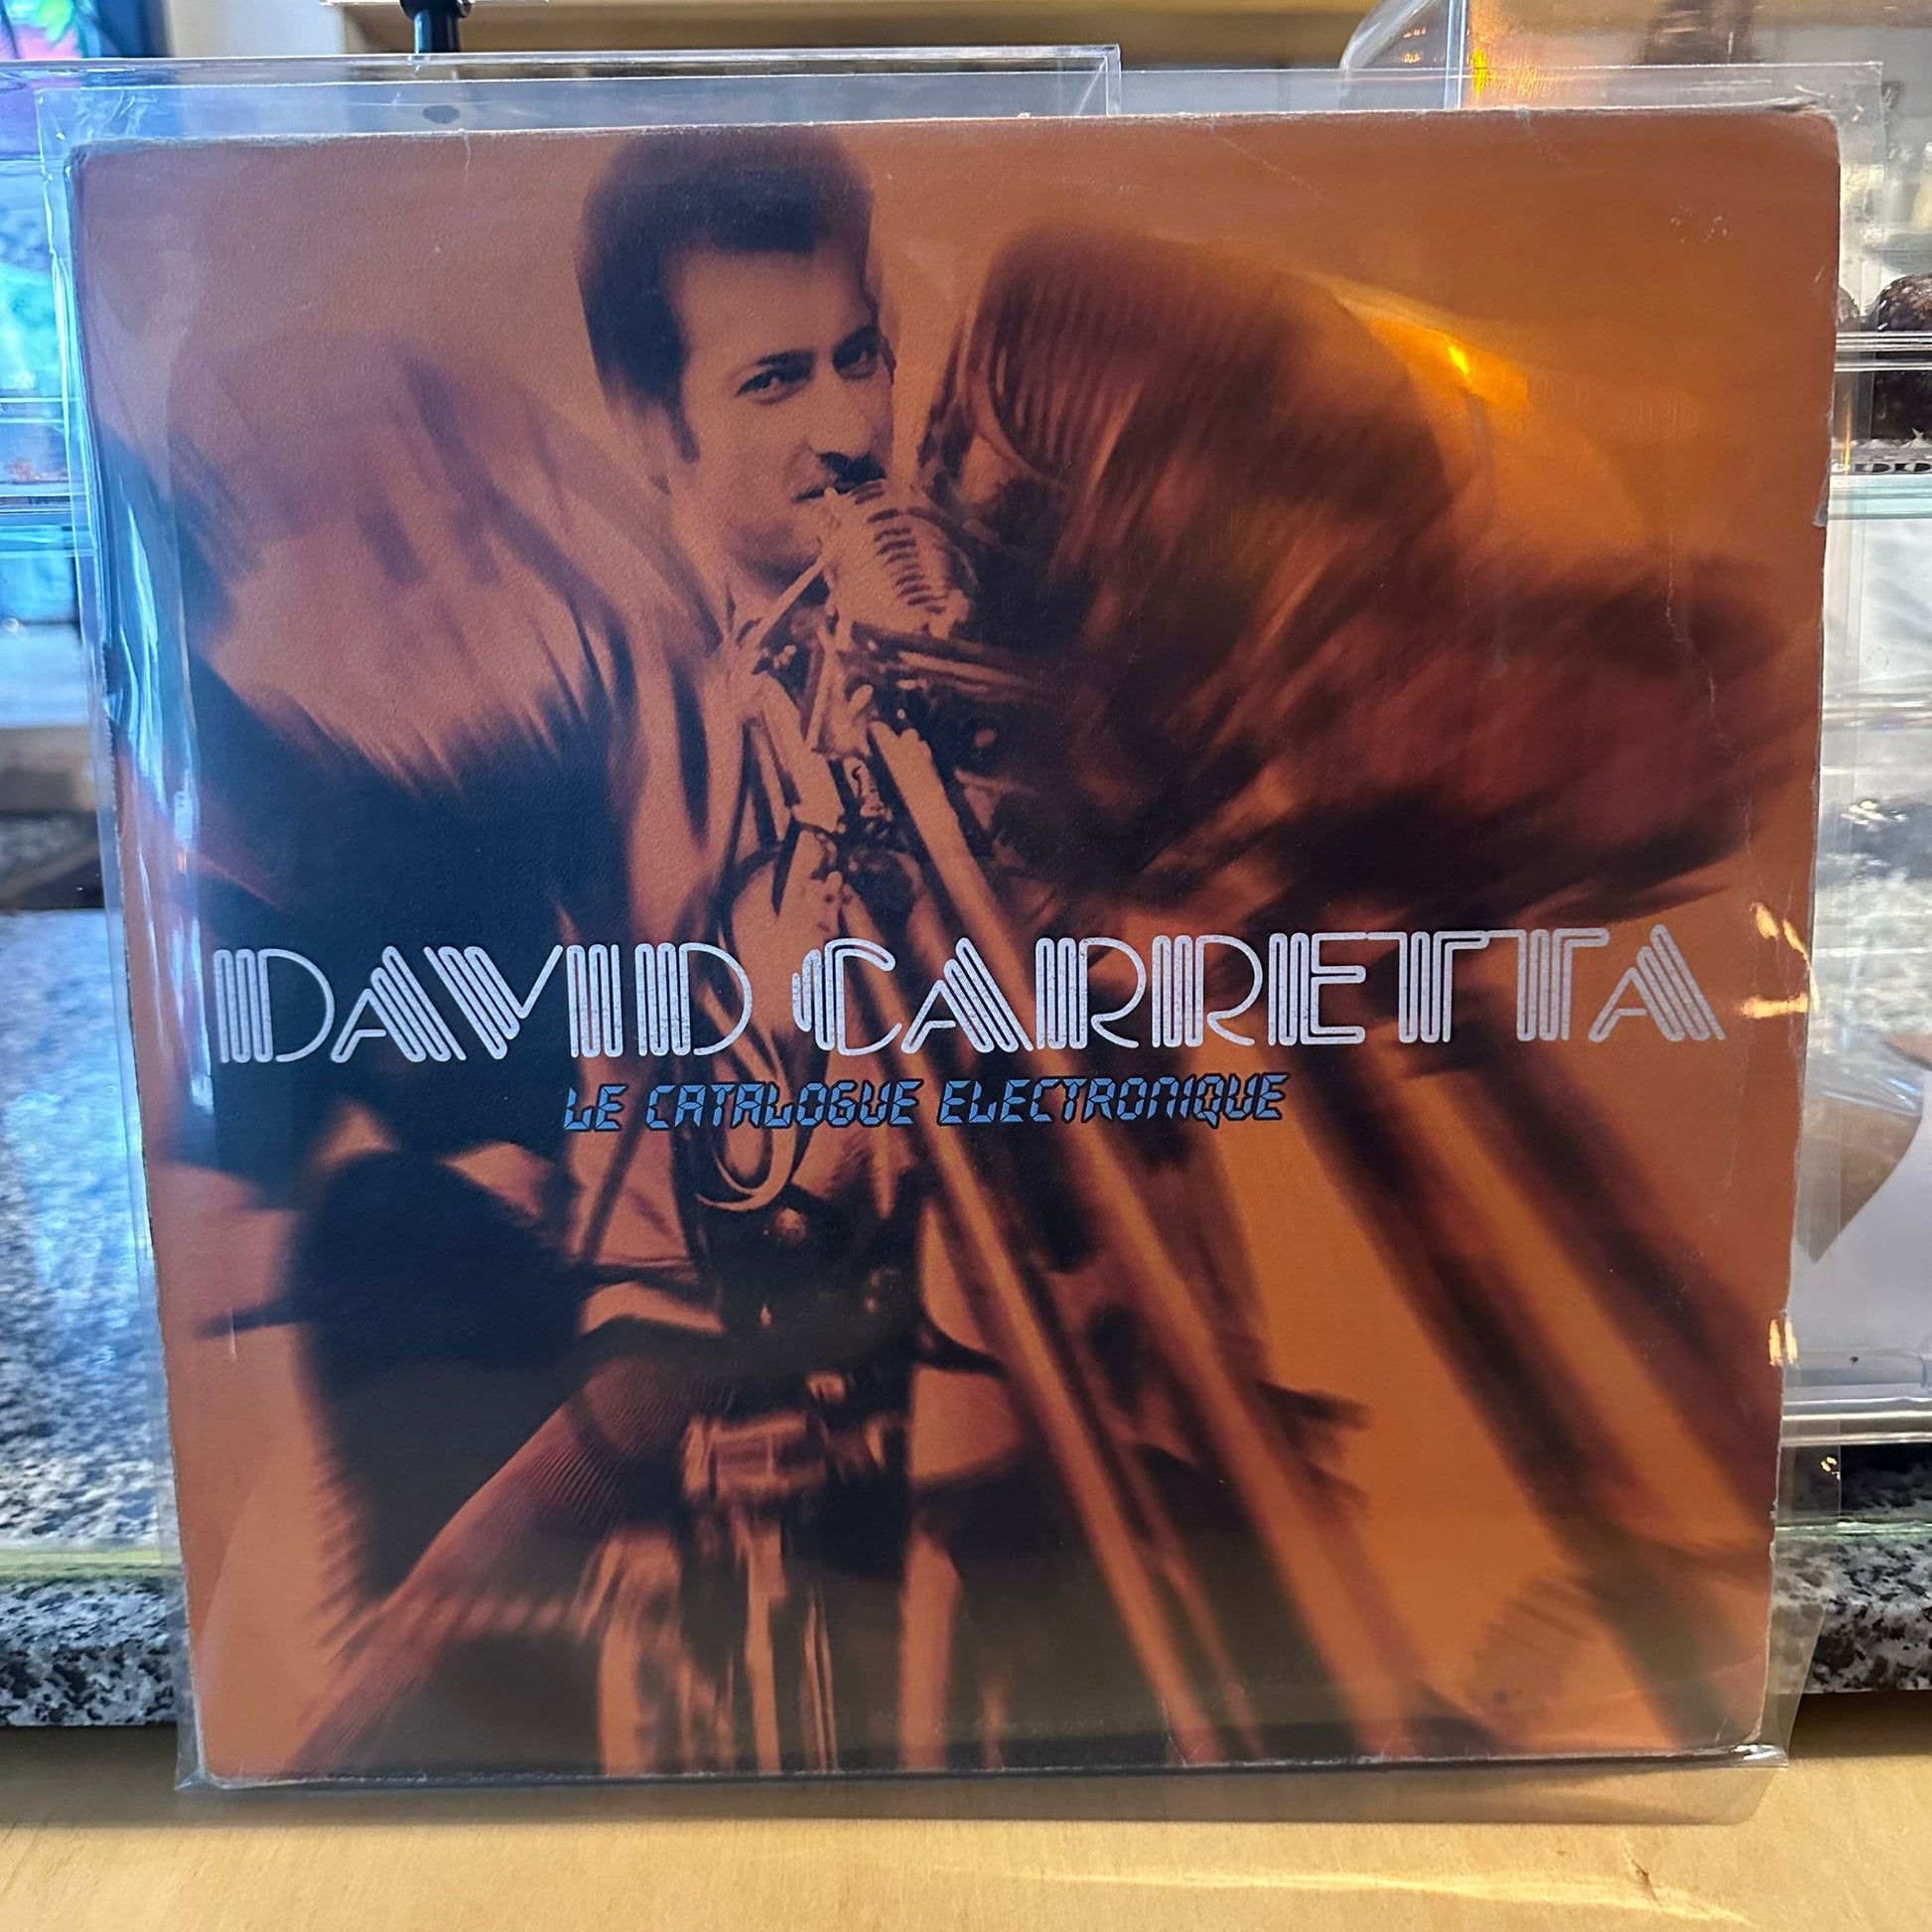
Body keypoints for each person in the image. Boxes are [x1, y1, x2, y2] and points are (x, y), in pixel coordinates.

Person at [180, 124, 924, 1775]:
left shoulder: (929, 641)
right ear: (653, 427)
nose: (849, 428)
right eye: (774, 379)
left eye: (860, 357)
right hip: (717, 1413)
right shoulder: (621, 716)